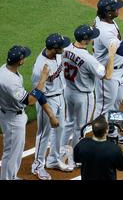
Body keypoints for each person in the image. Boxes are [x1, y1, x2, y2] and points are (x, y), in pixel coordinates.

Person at [60, 25, 117, 166]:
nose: (93, 39)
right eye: (91, 37)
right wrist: (111, 55)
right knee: (81, 127)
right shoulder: (88, 58)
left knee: (69, 123)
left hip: (68, 91)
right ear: (85, 40)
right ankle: (76, 159)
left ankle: (59, 153)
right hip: (83, 96)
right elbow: (108, 75)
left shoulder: (65, 49)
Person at [0, 45, 59, 180]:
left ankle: (12, 176)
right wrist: (43, 78)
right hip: (13, 119)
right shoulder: (11, 81)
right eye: (24, 57)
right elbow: (31, 100)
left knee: (14, 151)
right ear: (20, 61)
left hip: (7, 113)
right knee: (11, 153)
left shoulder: (4, 69)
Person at [93, 0, 123, 141]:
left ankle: (112, 133)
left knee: (116, 103)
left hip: (118, 71)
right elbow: (122, 50)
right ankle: (98, 139)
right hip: (108, 73)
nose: (119, 9)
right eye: (115, 8)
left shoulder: (105, 20)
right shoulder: (104, 31)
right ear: (108, 12)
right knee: (104, 108)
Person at [31, 34, 73, 180]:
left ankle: (53, 160)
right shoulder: (40, 68)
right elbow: (38, 93)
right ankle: (37, 166)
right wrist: (51, 115)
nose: (64, 47)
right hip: (47, 100)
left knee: (60, 129)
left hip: (60, 95)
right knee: (44, 134)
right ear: (54, 49)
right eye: (62, 46)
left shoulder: (56, 53)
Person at [73, 115, 123, 180]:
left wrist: (82, 142)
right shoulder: (114, 148)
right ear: (106, 131)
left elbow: (76, 159)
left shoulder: (82, 145)